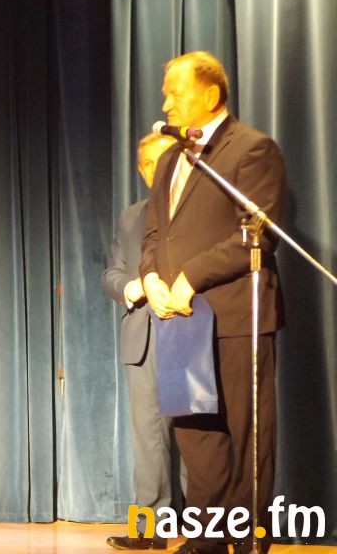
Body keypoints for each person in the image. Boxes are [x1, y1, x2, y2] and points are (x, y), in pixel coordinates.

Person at [141, 52, 285, 554]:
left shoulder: (252, 149)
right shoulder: (169, 160)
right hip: (182, 318)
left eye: (175, 93)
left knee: (247, 432)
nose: (166, 103)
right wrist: (152, 278)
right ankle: (205, 538)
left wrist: (191, 276)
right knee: (195, 432)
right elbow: (154, 233)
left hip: (237, 315)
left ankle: (246, 541)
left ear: (210, 95)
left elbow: (257, 234)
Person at [103, 133, 178, 551]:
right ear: (141, 170)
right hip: (142, 338)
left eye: (164, 160)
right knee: (148, 439)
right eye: (149, 164)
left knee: (195, 435)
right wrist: (130, 288)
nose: (156, 170)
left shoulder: (193, 209)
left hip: (187, 331)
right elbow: (111, 272)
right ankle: (149, 530)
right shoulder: (131, 216)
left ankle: (205, 532)